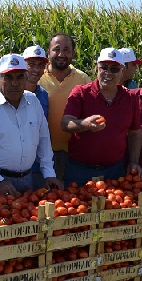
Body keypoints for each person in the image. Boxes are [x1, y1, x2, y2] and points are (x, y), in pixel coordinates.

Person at [0, 53, 62, 196]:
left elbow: (43, 140)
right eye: (8, 77)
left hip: (26, 179)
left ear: (26, 78)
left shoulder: (33, 102)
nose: (14, 83)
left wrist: (48, 173)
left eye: (20, 77)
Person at [61, 47, 142, 186]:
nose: (108, 73)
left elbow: (135, 132)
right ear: (96, 69)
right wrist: (85, 124)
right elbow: (65, 123)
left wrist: (134, 161)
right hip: (80, 170)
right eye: (104, 68)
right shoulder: (81, 93)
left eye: (114, 69)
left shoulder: (130, 98)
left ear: (122, 71)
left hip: (115, 171)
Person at [38, 33, 91, 181]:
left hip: (73, 154)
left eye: (67, 50)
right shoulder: (37, 78)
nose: (61, 54)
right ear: (48, 52)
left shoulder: (83, 79)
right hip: (42, 154)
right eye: (56, 49)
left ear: (73, 53)